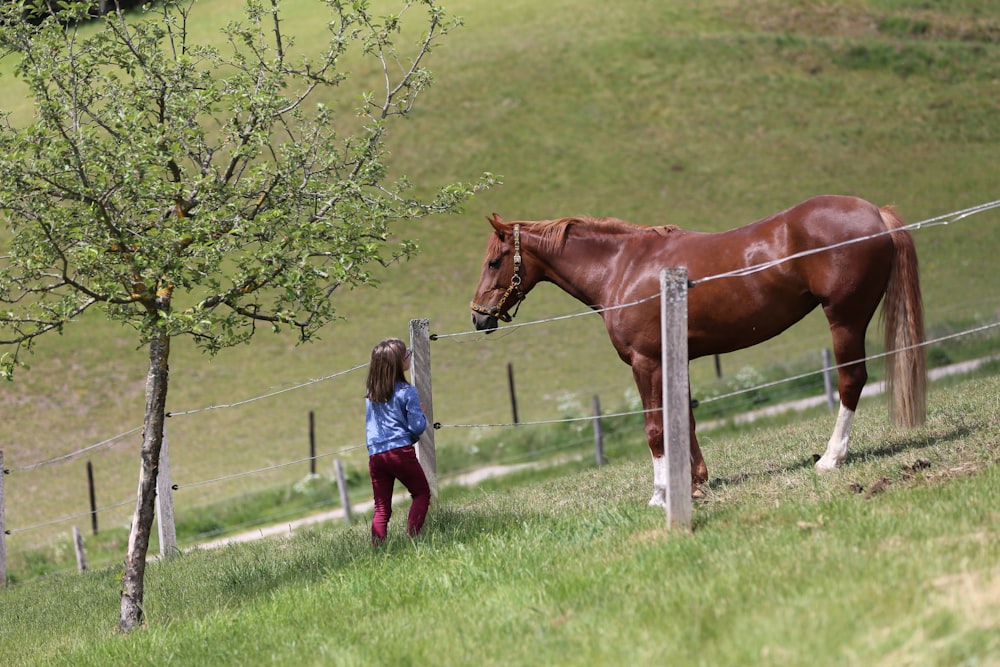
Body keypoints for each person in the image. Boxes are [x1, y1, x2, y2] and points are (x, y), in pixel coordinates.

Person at [365, 337, 431, 544]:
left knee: (381, 506)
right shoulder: (407, 392)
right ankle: (413, 538)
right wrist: (421, 414)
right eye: (406, 354)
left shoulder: (371, 394)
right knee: (421, 493)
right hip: (400, 452)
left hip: (375, 455)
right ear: (398, 364)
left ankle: (378, 548)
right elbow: (416, 427)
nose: (409, 356)